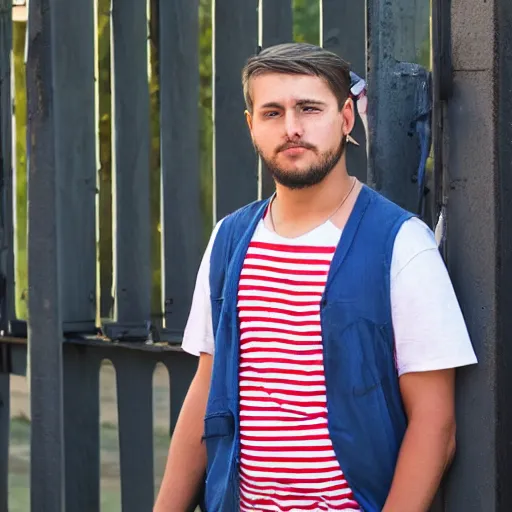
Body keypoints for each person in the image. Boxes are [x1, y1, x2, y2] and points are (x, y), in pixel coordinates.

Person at [154, 43, 477, 512]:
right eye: (272, 112)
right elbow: (207, 393)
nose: (292, 128)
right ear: (251, 127)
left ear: (346, 118)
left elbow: (436, 425)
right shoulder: (229, 238)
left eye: (309, 108)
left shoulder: (401, 244)